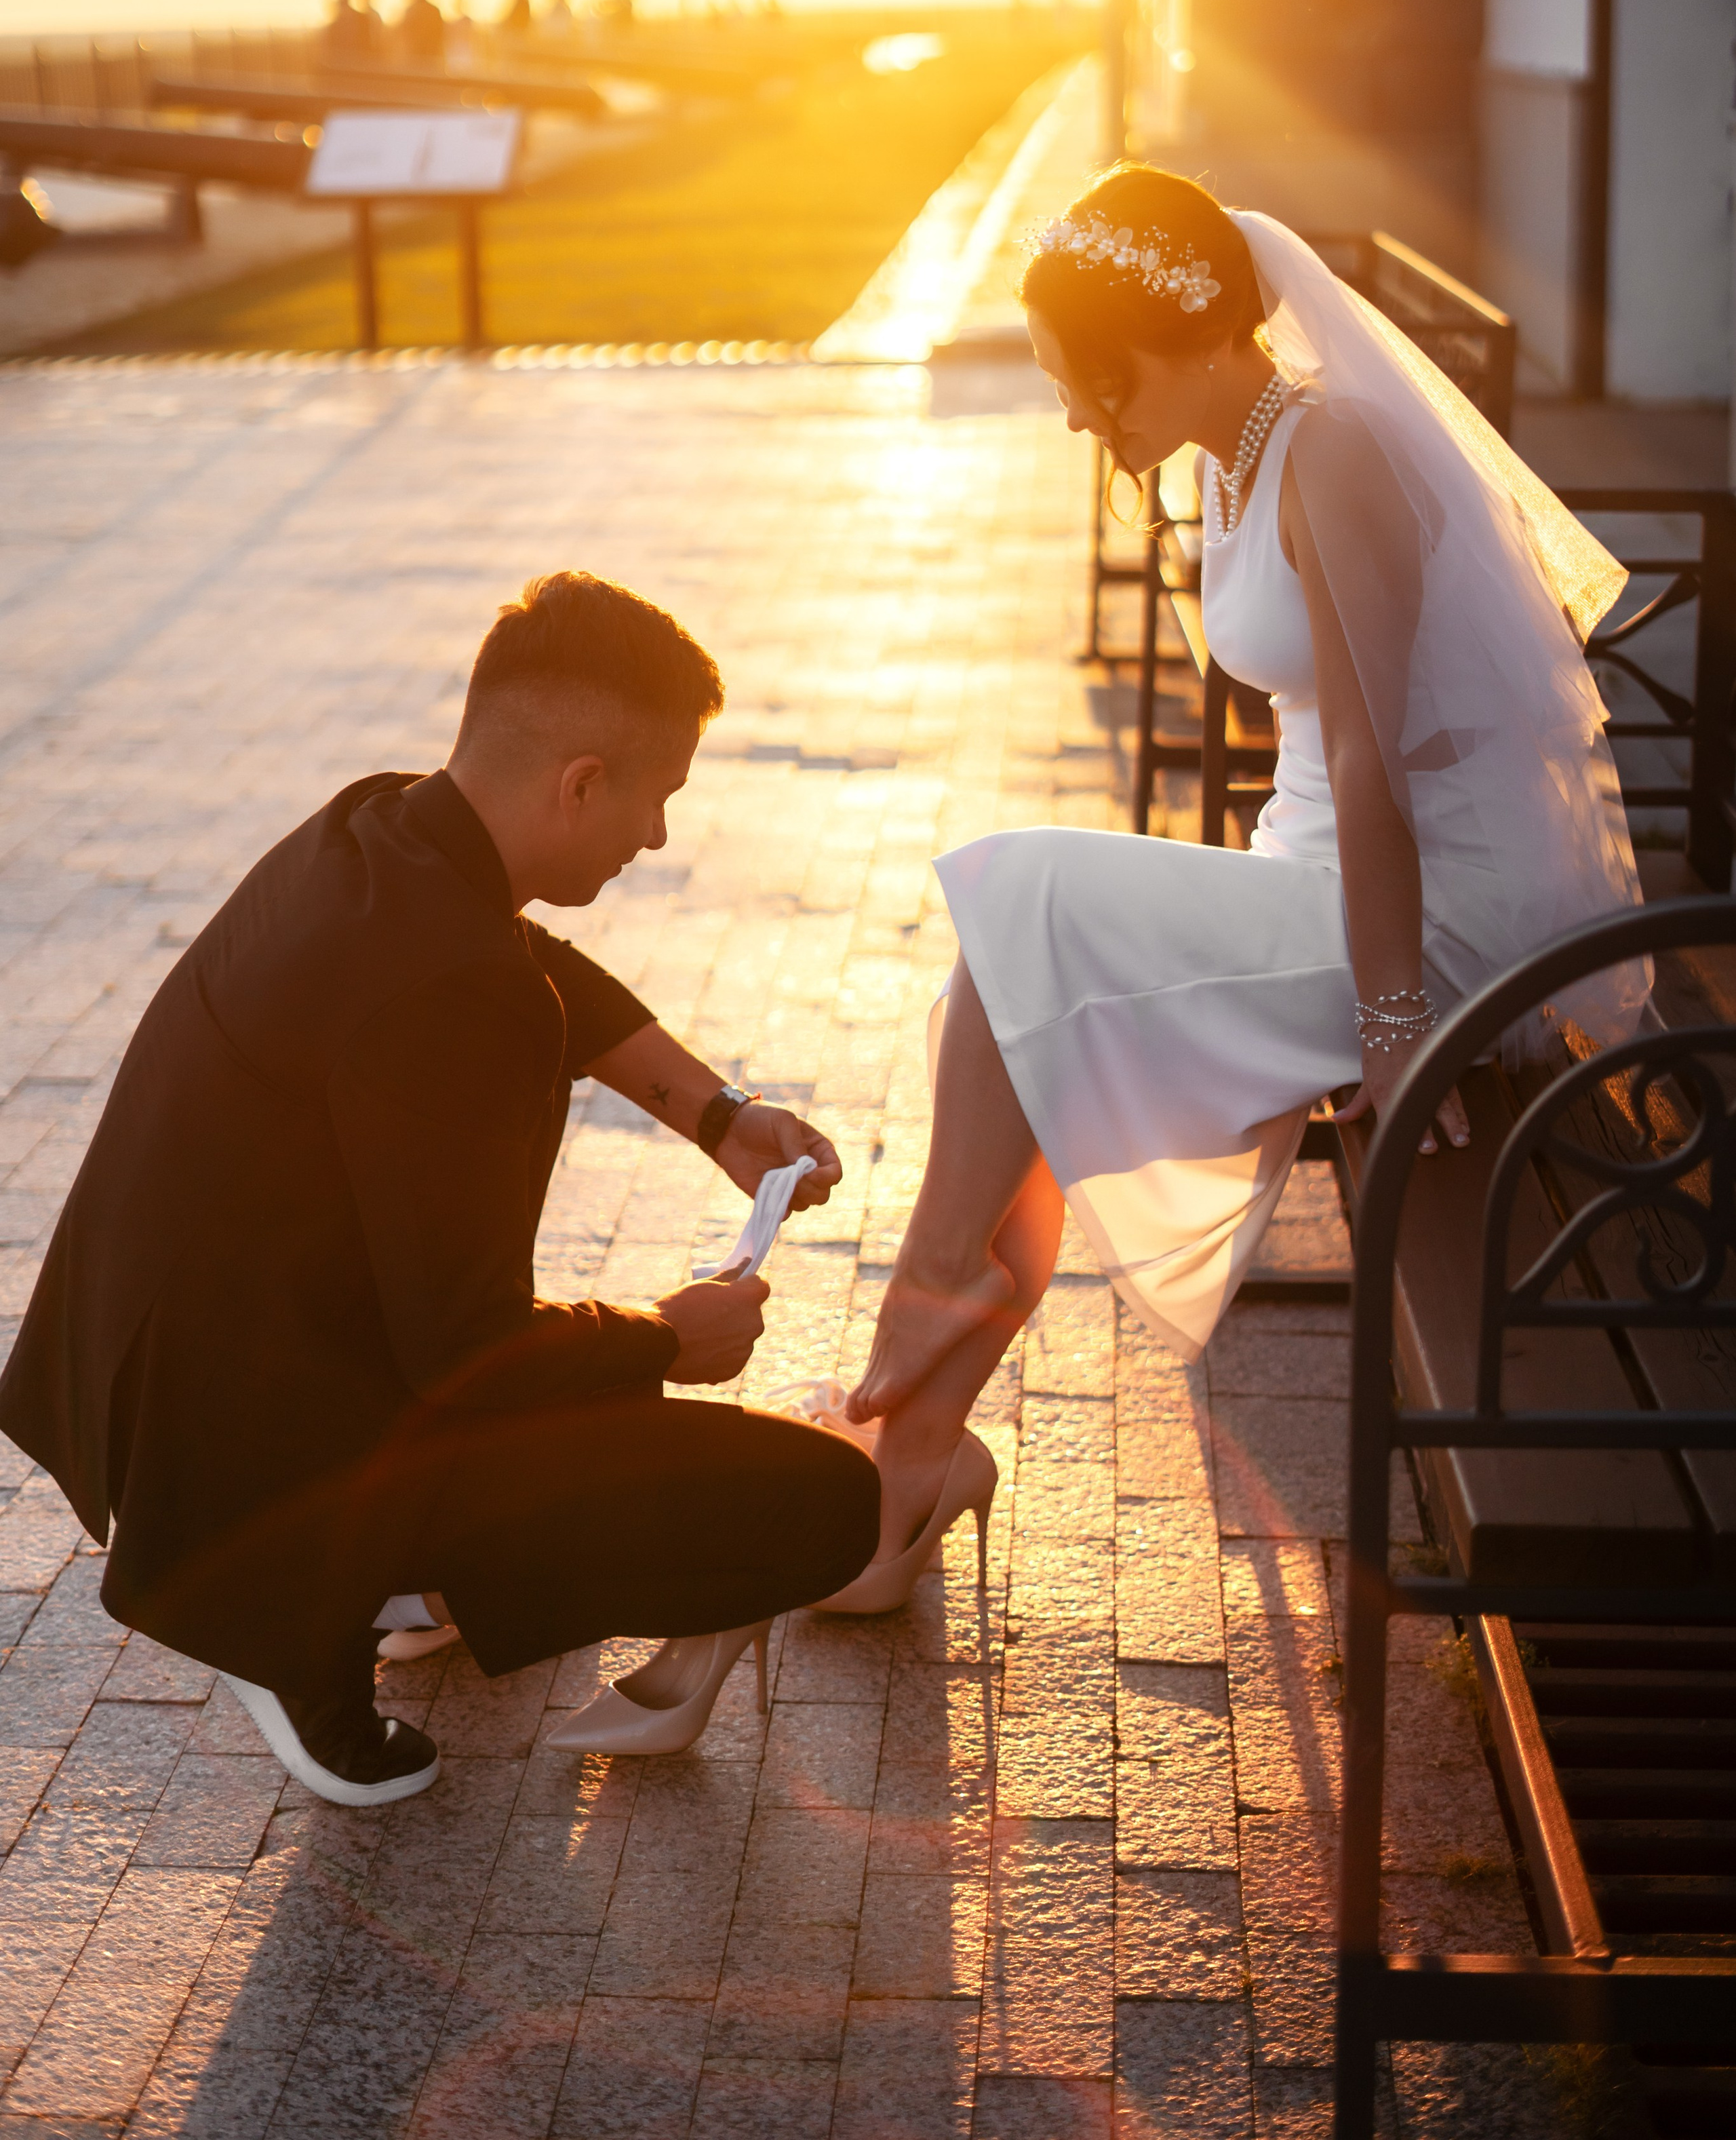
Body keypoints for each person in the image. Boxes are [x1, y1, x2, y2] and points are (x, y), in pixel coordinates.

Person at [818, 168, 1644, 1604]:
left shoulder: (1333, 451)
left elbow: (1383, 773)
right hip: (1320, 867)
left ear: (1196, 338)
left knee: (1018, 914)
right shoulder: (1230, 451)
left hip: (1440, 911)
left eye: (1094, 381)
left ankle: (915, 1395)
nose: (1078, 415)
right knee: (1013, 981)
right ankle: (916, 1455)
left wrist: (1391, 1026)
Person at [0, 573, 878, 1804]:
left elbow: (523, 952)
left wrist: (716, 1116)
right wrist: (670, 1338)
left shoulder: (376, 830)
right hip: (246, 1480)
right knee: (826, 1501)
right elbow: (467, 1348)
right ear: (582, 782)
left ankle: (411, 1577)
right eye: (658, 798)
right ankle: (308, 1622)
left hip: (139, 1389)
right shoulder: (457, 996)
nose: (659, 839)